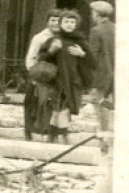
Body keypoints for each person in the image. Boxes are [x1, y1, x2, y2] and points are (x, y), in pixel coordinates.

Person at [34, 9, 97, 143]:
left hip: (74, 80)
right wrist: (52, 50)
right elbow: (41, 58)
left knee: (62, 108)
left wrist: (82, 54)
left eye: (72, 22)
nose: (69, 24)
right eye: (66, 21)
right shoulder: (54, 40)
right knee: (61, 107)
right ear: (61, 24)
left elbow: (94, 62)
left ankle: (52, 135)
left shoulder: (80, 41)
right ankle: (64, 135)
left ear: (76, 24)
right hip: (56, 80)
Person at [23, 9, 62, 139]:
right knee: (34, 103)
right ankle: (29, 130)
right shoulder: (40, 37)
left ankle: (51, 132)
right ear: (47, 22)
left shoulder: (63, 37)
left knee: (54, 104)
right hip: (41, 74)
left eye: (58, 20)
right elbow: (31, 57)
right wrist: (33, 74)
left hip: (57, 76)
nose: (55, 23)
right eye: (53, 20)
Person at [87, 0, 115, 132]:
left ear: (97, 14)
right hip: (116, 74)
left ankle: (105, 138)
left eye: (93, 12)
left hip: (102, 76)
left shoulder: (96, 31)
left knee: (100, 104)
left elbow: (93, 56)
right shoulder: (116, 28)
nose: (92, 15)